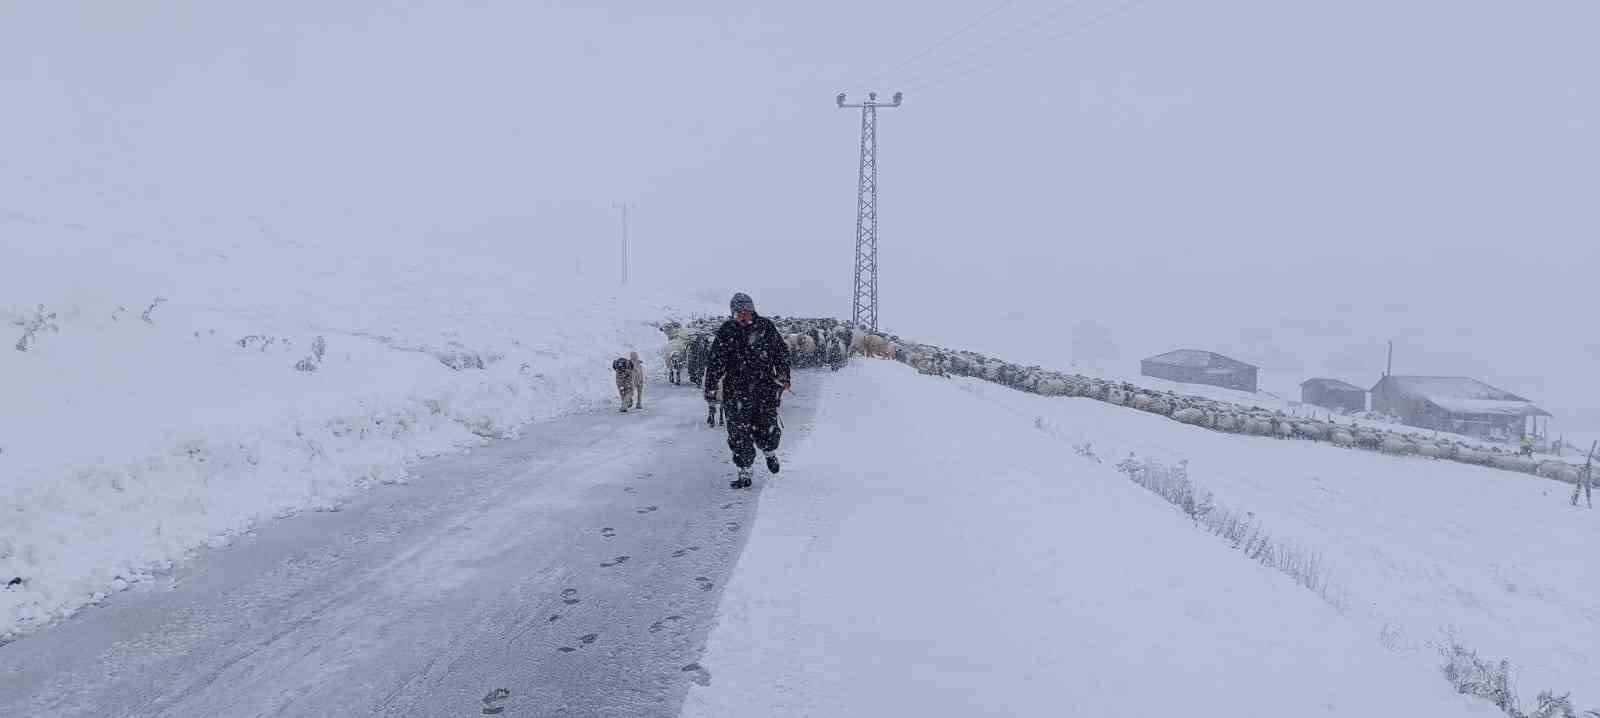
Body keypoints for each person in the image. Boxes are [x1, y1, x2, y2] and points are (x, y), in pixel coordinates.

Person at [704, 292, 791, 489]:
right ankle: (745, 471)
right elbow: (716, 360)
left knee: (766, 426)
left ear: (753, 311)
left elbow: (781, 353)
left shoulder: (766, 327)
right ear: (733, 313)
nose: (744, 316)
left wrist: (784, 376)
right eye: (739, 313)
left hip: (764, 387)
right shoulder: (727, 330)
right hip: (735, 390)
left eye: (747, 311)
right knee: (738, 432)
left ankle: (769, 452)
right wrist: (710, 384)